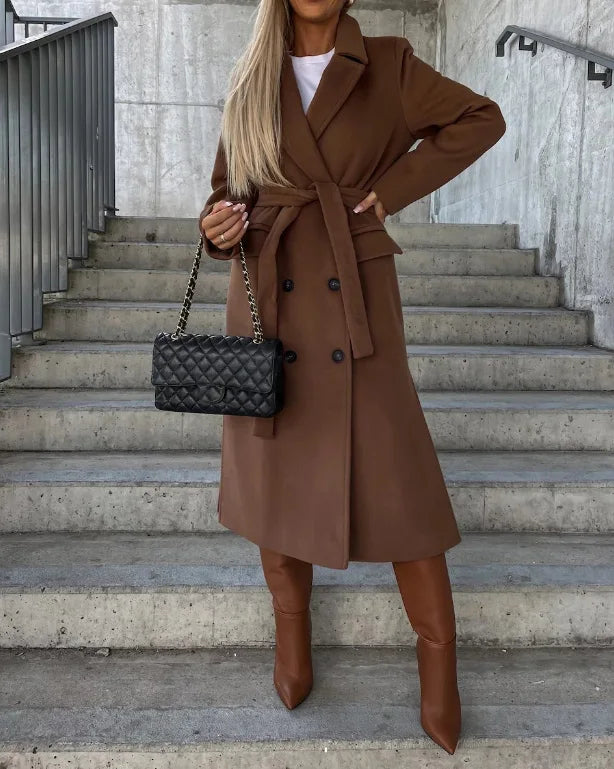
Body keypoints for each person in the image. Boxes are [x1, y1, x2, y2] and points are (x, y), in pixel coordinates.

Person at [199, 0, 506, 755]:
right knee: (277, 482)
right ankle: (292, 644)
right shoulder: (251, 79)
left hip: (355, 296)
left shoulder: (391, 61)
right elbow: (225, 193)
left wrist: (392, 190)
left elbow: (479, 117)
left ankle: (439, 669)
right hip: (269, 300)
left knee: (403, 487)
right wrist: (215, 225)